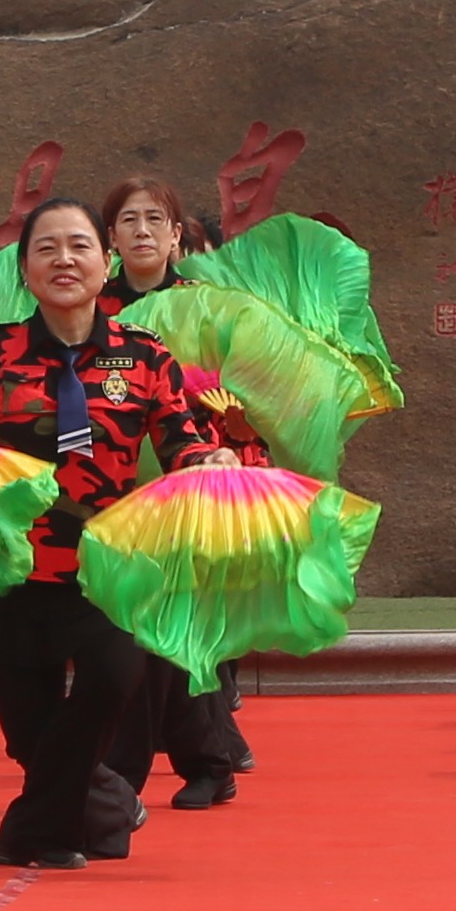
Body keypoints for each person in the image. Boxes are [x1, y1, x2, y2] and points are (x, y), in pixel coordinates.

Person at [0, 192, 261, 866]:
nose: (64, 260)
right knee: (29, 737)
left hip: (107, 568)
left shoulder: (143, 355)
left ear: (104, 261)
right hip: (16, 569)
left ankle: (33, 832)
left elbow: (180, 441)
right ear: (25, 268)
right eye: (47, 248)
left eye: (79, 245)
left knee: (113, 683)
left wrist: (212, 459)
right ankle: (103, 808)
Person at [101, 180, 252, 802]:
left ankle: (177, 763)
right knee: (137, 627)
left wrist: (232, 429)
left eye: (154, 219)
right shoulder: (90, 310)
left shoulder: (208, 306)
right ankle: (201, 757)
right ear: (110, 239)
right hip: (107, 486)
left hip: (190, 474)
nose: (141, 231)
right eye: (128, 220)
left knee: (169, 622)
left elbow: (250, 387)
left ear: (175, 236)